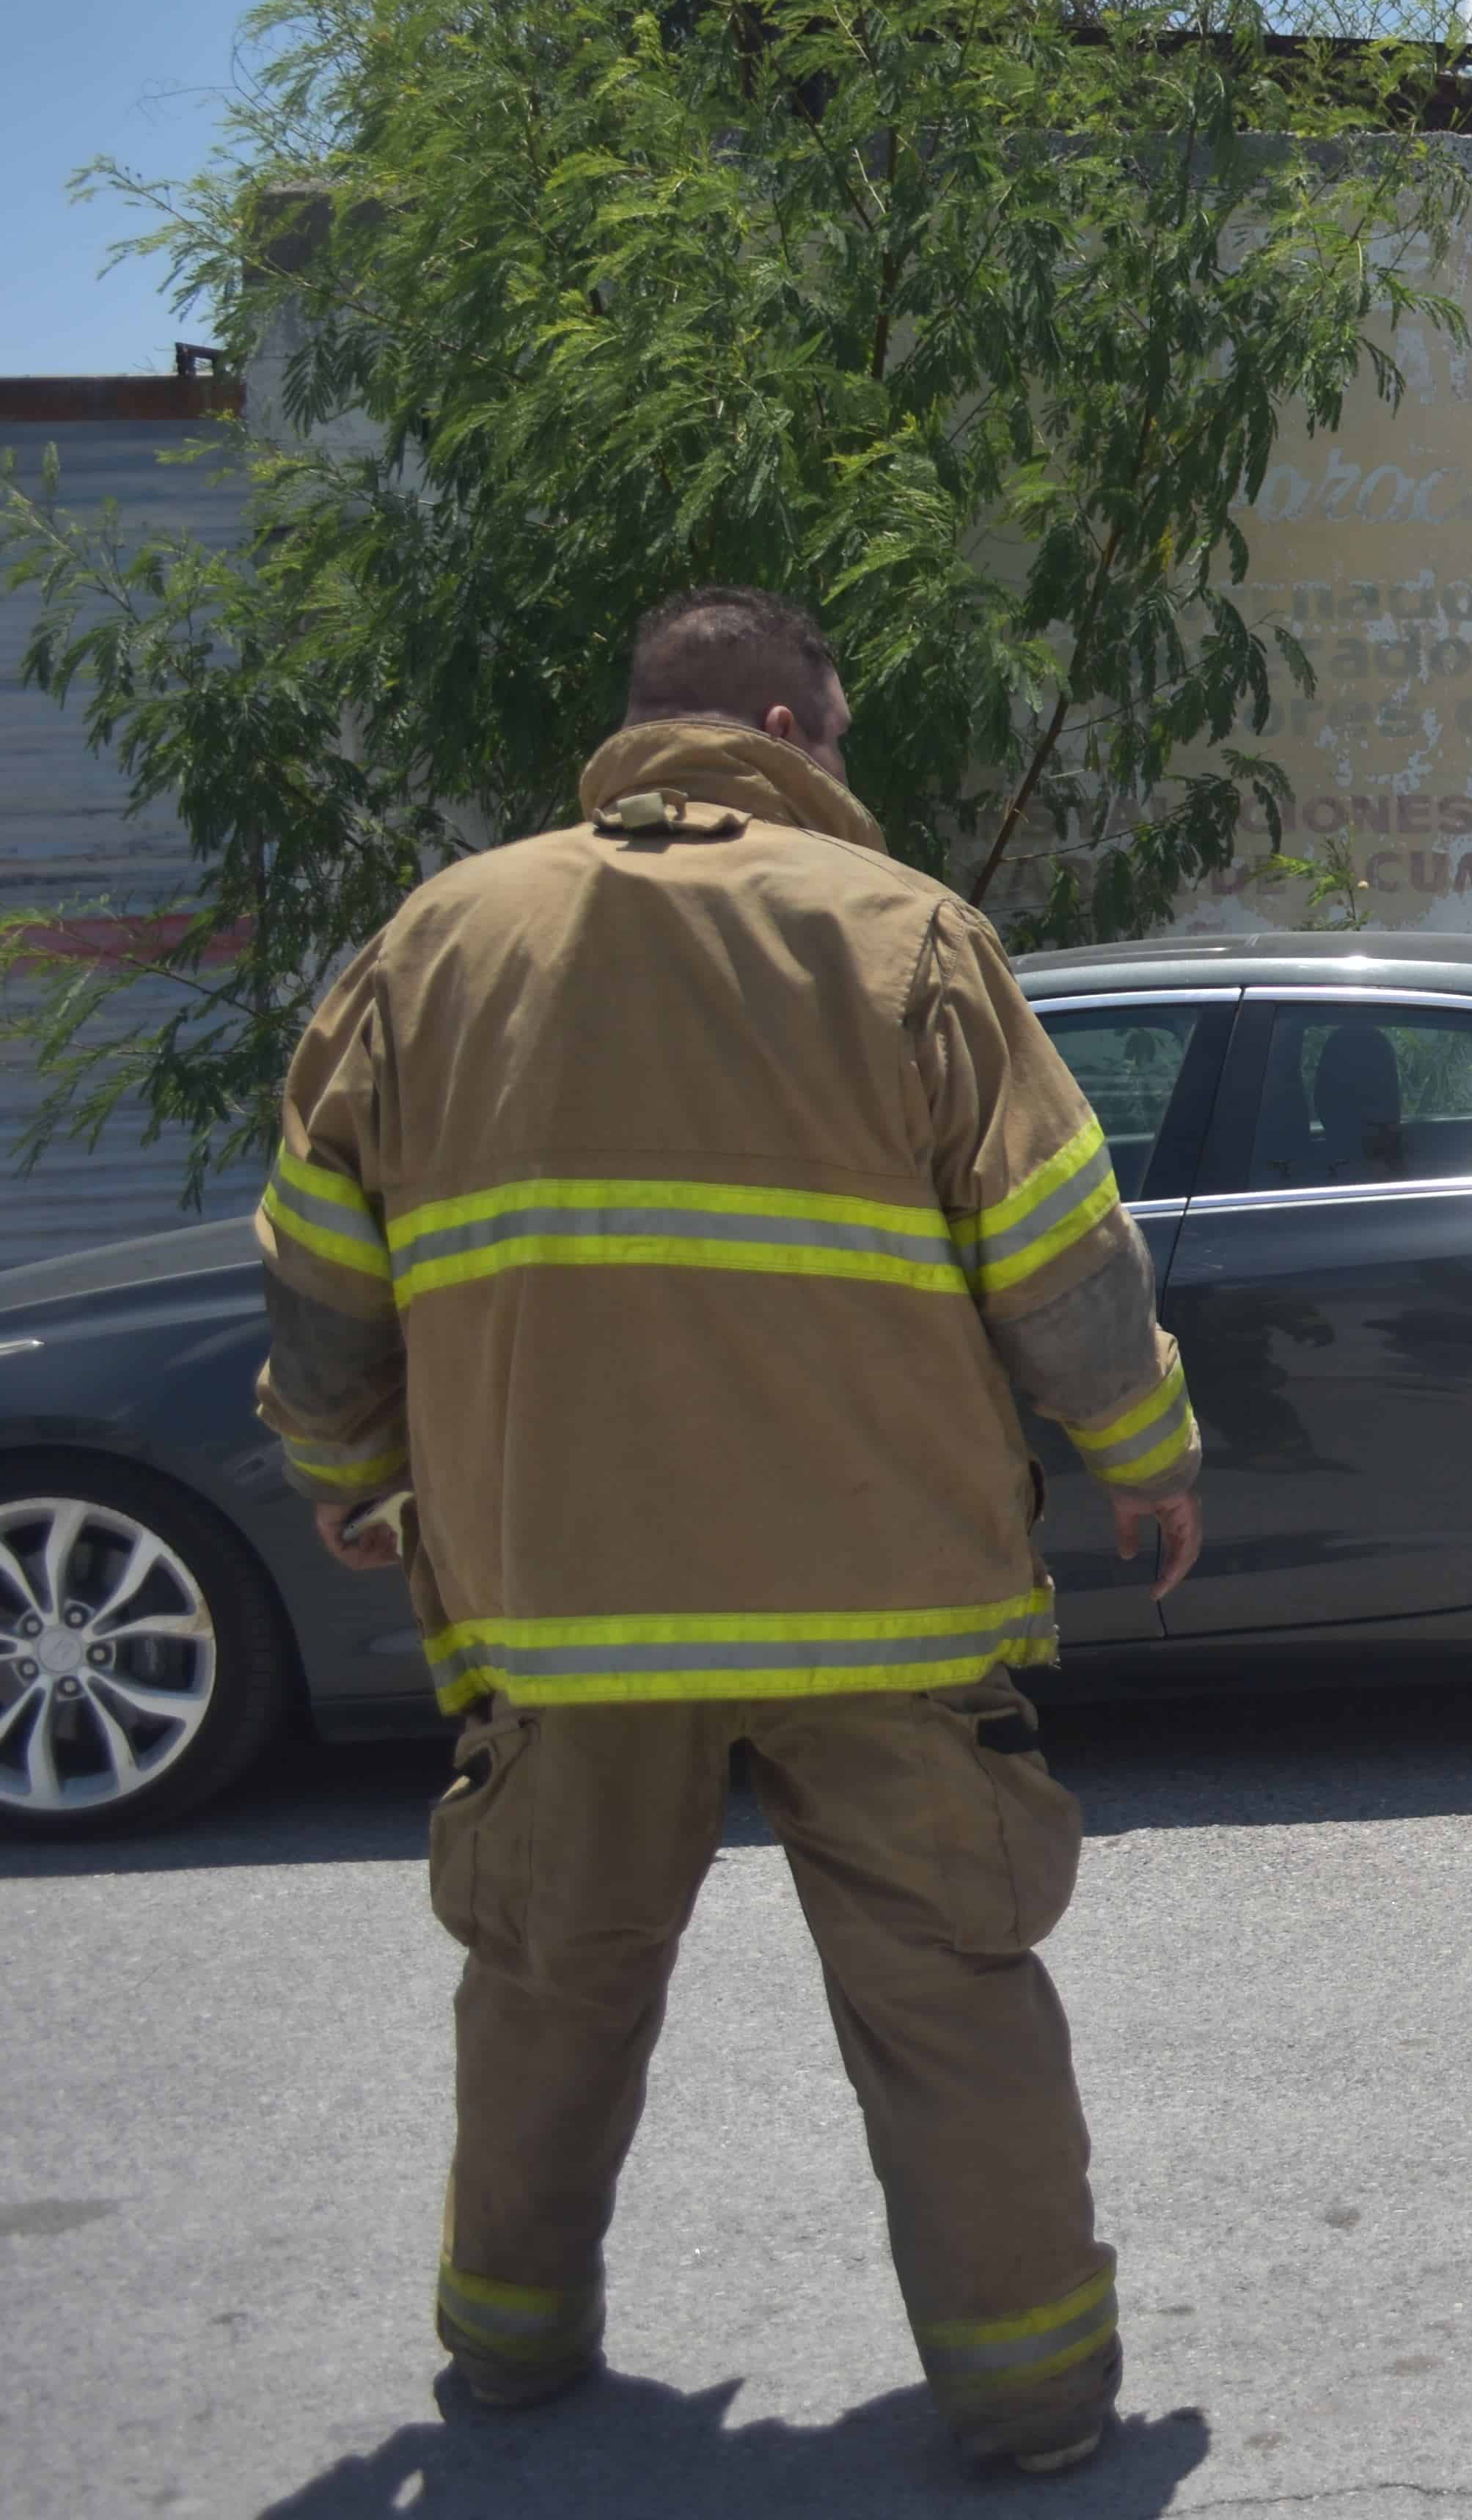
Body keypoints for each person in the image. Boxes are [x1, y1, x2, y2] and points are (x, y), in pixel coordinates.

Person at [252, 587, 1204, 2476]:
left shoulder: (439, 940)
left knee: (546, 1987)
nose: (839, 773)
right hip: (889, 1607)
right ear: (782, 724)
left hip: (561, 1606)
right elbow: (1060, 1248)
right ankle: (1029, 2400)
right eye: (836, 739)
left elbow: (317, 1256)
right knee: (950, 2003)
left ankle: (510, 2347)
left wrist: (343, 1466)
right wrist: (1146, 1449)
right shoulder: (901, 933)